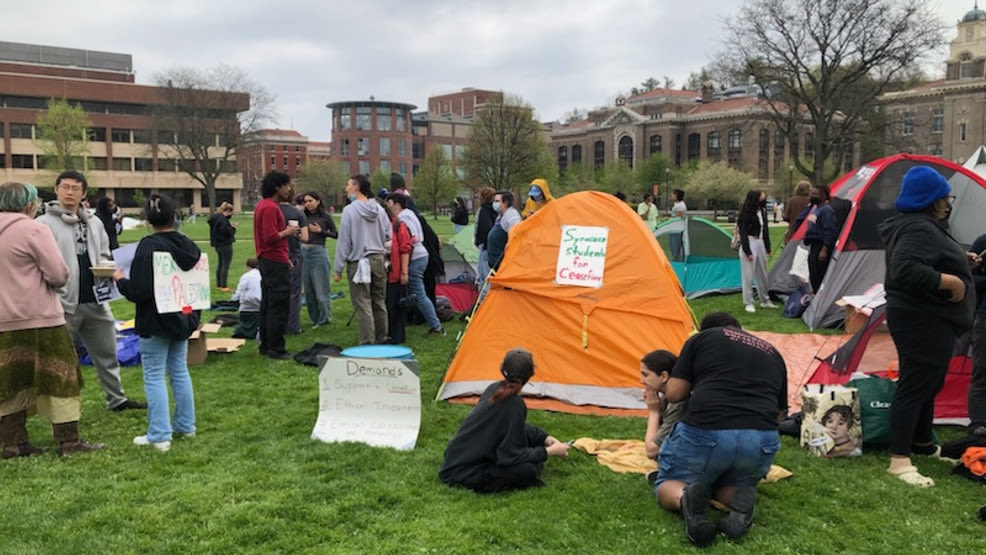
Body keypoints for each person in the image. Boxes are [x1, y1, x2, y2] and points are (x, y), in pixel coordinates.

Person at [877, 165, 976, 487]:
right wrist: (951, 282)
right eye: (946, 197)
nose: (948, 202)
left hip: (927, 318)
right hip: (921, 319)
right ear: (934, 199)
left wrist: (962, 260)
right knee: (916, 383)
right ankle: (899, 459)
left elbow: (925, 257)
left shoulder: (919, 226)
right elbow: (904, 269)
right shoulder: (919, 228)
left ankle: (922, 443)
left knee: (929, 382)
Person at [655, 312, 787, 546]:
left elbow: (676, 393)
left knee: (669, 480)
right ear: (739, 327)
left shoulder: (701, 340)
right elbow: (779, 414)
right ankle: (739, 499)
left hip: (707, 431)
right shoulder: (773, 352)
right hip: (760, 440)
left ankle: (684, 499)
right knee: (730, 481)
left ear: (705, 329)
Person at [0, 181, 105, 458]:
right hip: (42, 318)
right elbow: (58, 274)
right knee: (60, 377)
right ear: (29, 204)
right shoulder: (34, 229)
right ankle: (68, 441)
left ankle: (13, 443)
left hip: (2, 322)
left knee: (9, 381)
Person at [37, 170, 145, 412]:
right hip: (62, 303)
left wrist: (108, 268)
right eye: (64, 187)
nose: (69, 192)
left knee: (107, 353)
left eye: (75, 188)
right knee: (58, 359)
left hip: (96, 301)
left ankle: (116, 399)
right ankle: (57, 406)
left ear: (83, 193)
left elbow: (106, 253)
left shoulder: (95, 223)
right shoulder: (42, 225)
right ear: (56, 190)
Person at [114, 194, 199, 452]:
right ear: (175, 216)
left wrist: (120, 279)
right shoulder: (188, 245)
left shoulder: (148, 246)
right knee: (179, 371)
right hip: (183, 317)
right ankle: (186, 425)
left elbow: (139, 290)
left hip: (155, 320)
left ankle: (160, 434)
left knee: (154, 375)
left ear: (148, 219)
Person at [439, 348, 570, 492]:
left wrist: (545, 438)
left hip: (456, 458)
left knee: (532, 450)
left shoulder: (494, 388)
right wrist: (549, 451)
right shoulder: (515, 404)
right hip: (465, 471)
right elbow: (511, 456)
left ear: (503, 369)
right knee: (528, 470)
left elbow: (515, 427)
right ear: (530, 376)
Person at [333, 174, 391, 345]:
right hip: (378, 259)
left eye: (348, 185)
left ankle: (367, 341)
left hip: (359, 261)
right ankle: (382, 338)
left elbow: (344, 241)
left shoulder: (350, 210)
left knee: (363, 303)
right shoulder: (379, 209)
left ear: (356, 187)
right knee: (379, 301)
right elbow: (388, 233)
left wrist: (337, 269)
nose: (346, 188)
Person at [253, 171, 300, 360]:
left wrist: (285, 257)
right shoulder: (270, 208)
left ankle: (266, 345)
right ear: (277, 187)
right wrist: (288, 231)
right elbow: (270, 237)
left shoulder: (263, 206)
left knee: (268, 304)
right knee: (278, 305)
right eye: (286, 185)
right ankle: (276, 348)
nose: (289, 189)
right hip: (273, 261)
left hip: (270, 259)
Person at [387, 193, 445, 336]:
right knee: (418, 293)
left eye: (388, 203)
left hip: (416, 258)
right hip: (421, 256)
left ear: (396, 204)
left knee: (419, 295)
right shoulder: (410, 214)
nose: (387, 206)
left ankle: (436, 326)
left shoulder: (404, 217)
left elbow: (414, 238)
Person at [640, 349, 686, 460]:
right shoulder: (667, 395)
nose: (641, 381)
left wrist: (654, 411)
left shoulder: (678, 402)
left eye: (645, 375)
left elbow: (651, 451)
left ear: (664, 376)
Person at [301, 191, 338, 328]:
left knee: (321, 289)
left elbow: (335, 234)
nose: (308, 204)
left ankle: (324, 318)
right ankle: (315, 318)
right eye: (305, 201)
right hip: (304, 252)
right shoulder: (303, 216)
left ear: (317, 201)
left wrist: (320, 232)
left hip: (318, 252)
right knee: (308, 290)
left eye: (310, 201)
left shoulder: (325, 217)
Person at [737, 189, 775, 313]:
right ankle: (748, 302)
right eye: (761, 196)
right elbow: (742, 233)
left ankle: (765, 299)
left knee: (763, 272)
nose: (763, 197)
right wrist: (748, 251)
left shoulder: (762, 211)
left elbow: (765, 230)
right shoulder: (745, 213)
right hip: (750, 241)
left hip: (760, 242)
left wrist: (768, 248)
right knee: (748, 275)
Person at [384, 196, 412, 344]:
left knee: (395, 304)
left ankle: (396, 335)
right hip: (381, 273)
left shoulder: (398, 225)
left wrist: (404, 272)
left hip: (395, 273)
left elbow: (405, 249)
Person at [280, 195, 309, 334]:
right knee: (294, 292)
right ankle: (292, 326)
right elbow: (305, 237)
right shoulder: (297, 213)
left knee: (275, 291)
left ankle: (276, 324)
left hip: (275, 255)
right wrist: (294, 233)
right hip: (293, 253)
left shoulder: (271, 210)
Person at [802, 185, 838, 294]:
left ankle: (819, 296)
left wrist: (824, 249)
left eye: (815, 194)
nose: (812, 196)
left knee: (818, 274)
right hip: (812, 244)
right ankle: (815, 293)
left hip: (821, 245)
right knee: (813, 273)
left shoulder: (826, 210)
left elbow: (830, 231)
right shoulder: (815, 209)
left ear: (823, 195)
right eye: (811, 194)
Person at [969, 231, 986, 438]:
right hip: (984, 318)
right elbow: (967, 276)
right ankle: (979, 423)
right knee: (982, 372)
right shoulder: (982, 242)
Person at [487, 190, 522, 272]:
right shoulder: (501, 215)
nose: (494, 204)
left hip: (503, 264)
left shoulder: (512, 217)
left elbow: (515, 239)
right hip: (496, 263)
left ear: (505, 202)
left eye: (497, 201)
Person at [207, 201, 237, 292]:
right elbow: (226, 232)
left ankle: (219, 284)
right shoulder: (223, 220)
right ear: (227, 211)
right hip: (225, 244)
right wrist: (233, 228)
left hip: (218, 244)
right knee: (225, 265)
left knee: (220, 264)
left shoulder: (215, 218)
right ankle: (224, 285)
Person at [232, 258, 262, 340]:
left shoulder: (246, 276)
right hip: (261, 306)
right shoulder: (263, 275)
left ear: (248, 266)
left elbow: (239, 293)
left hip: (247, 307)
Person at [473, 186, 496, 284]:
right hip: (493, 247)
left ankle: (485, 298)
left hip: (485, 247)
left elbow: (485, 228)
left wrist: (479, 242)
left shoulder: (484, 210)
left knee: (484, 276)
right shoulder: (496, 211)